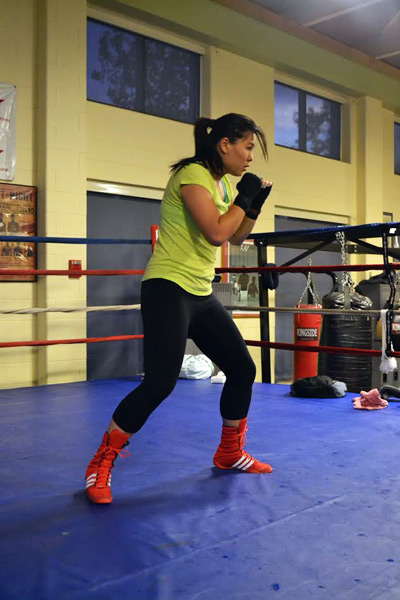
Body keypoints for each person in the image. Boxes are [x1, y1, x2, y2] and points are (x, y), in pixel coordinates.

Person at [85, 113, 273, 504]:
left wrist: (251, 205)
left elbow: (236, 236)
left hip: (200, 293)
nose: (251, 157)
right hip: (167, 289)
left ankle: (229, 453)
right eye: (248, 147)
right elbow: (216, 231)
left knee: (242, 368)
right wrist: (243, 196)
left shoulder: (219, 183)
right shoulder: (192, 174)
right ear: (225, 144)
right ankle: (100, 463)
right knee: (160, 382)